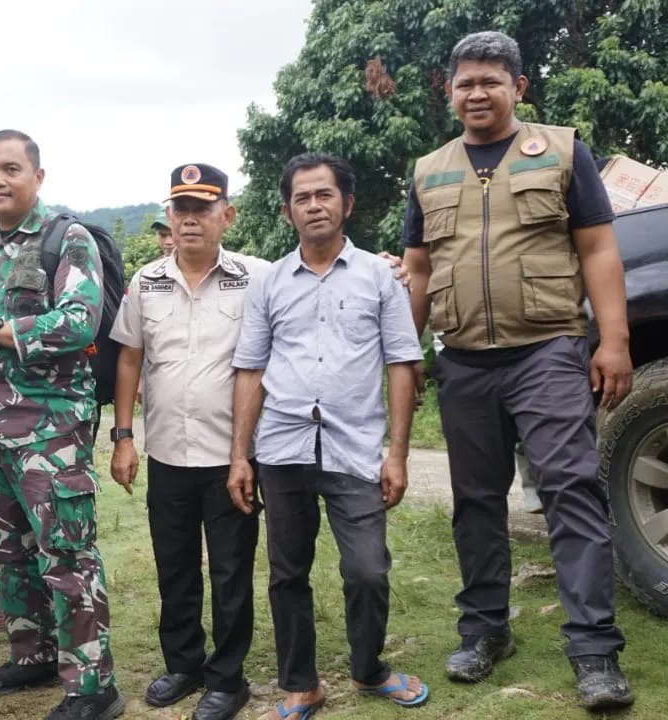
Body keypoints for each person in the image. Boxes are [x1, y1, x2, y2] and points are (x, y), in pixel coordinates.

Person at [401, 31, 634, 711]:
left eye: (491, 81)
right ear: (449, 92)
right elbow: (417, 270)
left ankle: (594, 652)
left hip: (548, 352)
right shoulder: (429, 169)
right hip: (463, 360)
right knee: (475, 502)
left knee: (569, 491)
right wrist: (407, 357)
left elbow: (598, 250)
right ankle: (484, 631)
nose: (477, 92)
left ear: (518, 88)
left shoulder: (562, 151)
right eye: (465, 82)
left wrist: (612, 341)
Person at [229, 152, 428, 719]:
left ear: (347, 203)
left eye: (324, 195)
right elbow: (250, 369)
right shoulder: (269, 283)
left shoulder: (380, 278)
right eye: (302, 197)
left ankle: (369, 670)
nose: (313, 206)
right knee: (287, 572)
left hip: (355, 448)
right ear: (288, 209)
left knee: (367, 568)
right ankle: (302, 683)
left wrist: (398, 453)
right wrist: (240, 457)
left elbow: (400, 363)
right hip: (283, 448)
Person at [0, 129, 123, 720]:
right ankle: (33, 653)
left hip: (50, 433)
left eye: (10, 168)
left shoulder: (69, 241)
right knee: (8, 551)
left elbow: (78, 323)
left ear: (37, 176)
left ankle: (95, 685)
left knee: (65, 553)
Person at [109, 164, 269, 720]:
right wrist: (124, 437)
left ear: (227, 215)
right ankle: (183, 664)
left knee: (230, 571)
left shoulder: (259, 277)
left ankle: (228, 678)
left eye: (203, 208)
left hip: (233, 458)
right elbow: (130, 356)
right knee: (173, 565)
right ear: (169, 218)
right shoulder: (145, 281)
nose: (191, 219)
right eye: (181, 209)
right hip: (168, 455)